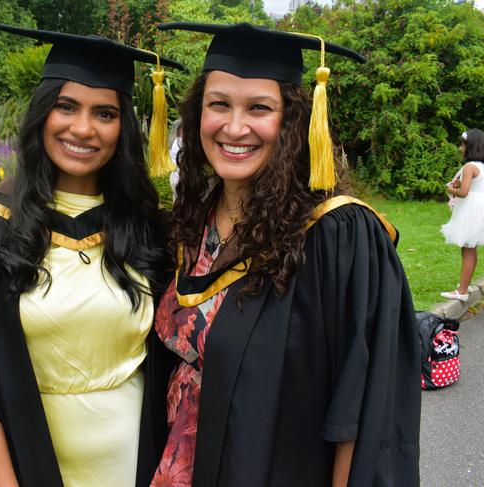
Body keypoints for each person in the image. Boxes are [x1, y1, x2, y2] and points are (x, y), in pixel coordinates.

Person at [0, 24, 182, 487]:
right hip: (26, 460)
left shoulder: (149, 229)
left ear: (125, 127)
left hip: (135, 464)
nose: (83, 128)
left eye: (105, 113)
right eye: (66, 106)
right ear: (42, 113)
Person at [150, 23, 421, 486]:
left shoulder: (336, 235)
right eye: (219, 105)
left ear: (294, 119)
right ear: (198, 115)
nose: (235, 127)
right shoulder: (192, 223)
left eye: (260, 108)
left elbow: (358, 408)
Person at [440, 129, 484, 301]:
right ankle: (465, 285)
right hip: (481, 207)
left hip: (472, 210)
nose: (460, 148)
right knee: (470, 248)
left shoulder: (470, 167)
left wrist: (450, 188)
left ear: (471, 147)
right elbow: (473, 186)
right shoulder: (482, 167)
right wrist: (461, 183)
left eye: (462, 144)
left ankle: (462, 291)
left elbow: (463, 192)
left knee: (468, 249)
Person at [168, 118, 183, 201]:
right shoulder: (179, 142)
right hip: (180, 176)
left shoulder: (173, 142)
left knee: (176, 200)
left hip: (174, 175)